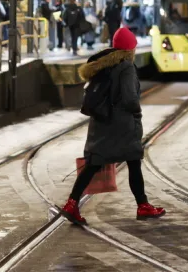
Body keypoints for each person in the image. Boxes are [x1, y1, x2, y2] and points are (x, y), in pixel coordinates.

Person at [60, 27, 166, 225]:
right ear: (130, 49)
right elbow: (129, 98)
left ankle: (71, 204)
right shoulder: (126, 67)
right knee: (134, 161)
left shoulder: (103, 65)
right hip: (122, 125)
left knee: (93, 164)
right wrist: (136, 113)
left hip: (101, 122)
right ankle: (143, 206)